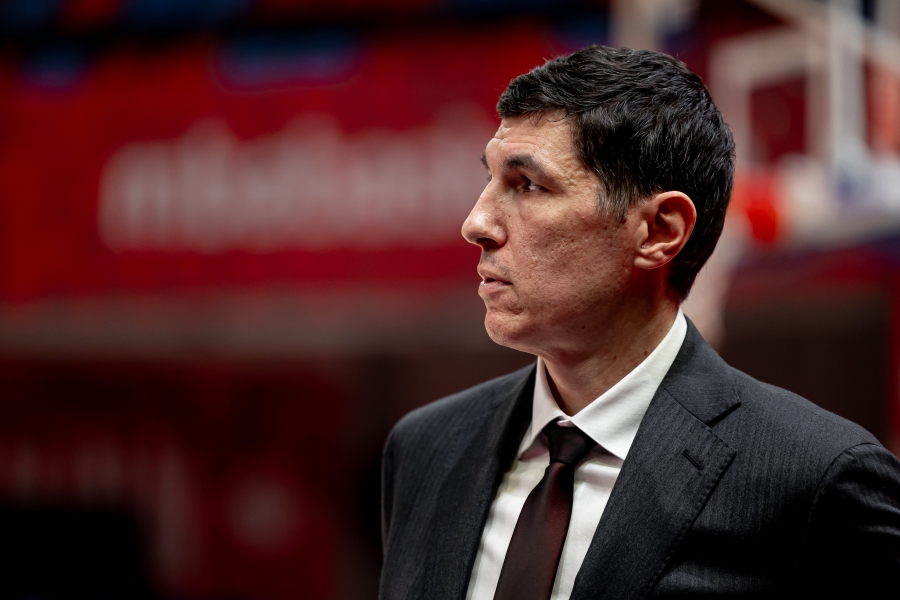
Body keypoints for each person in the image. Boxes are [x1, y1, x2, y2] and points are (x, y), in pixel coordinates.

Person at [379, 46, 900, 600]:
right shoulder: (425, 448)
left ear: (659, 231)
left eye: (527, 184)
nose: (476, 222)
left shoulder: (817, 478)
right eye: (489, 179)